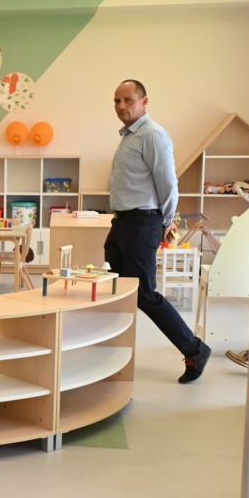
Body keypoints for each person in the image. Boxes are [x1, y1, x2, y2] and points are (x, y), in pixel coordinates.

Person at [105, 79, 212, 383]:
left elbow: (168, 183)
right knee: (116, 289)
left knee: (144, 294)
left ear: (144, 101)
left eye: (128, 100)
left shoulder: (152, 134)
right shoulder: (128, 137)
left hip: (143, 222)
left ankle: (195, 349)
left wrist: (167, 220)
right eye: (117, 101)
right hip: (123, 222)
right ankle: (113, 354)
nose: (121, 106)